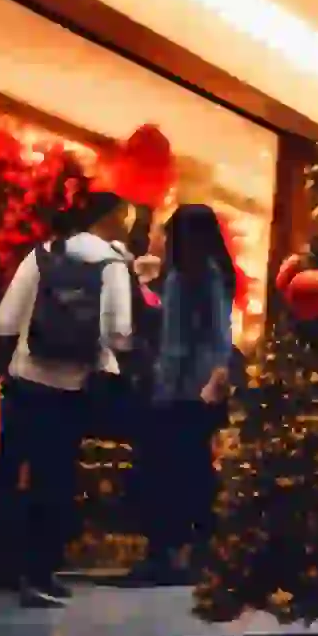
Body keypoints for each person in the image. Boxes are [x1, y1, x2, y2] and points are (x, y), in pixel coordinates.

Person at [0, 197, 138, 604]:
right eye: (125, 217)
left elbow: (5, 319)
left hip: (24, 379)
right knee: (54, 477)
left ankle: (2, 562)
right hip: (70, 388)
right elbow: (119, 333)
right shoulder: (113, 266)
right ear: (109, 219)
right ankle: (39, 571)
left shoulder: (42, 255)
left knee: (11, 467)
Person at [122, 203, 239, 587]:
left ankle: (164, 555)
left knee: (164, 472)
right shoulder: (216, 274)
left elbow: (176, 344)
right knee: (194, 471)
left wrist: (162, 389)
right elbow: (218, 339)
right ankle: (199, 551)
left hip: (180, 391)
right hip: (205, 391)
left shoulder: (185, 277)